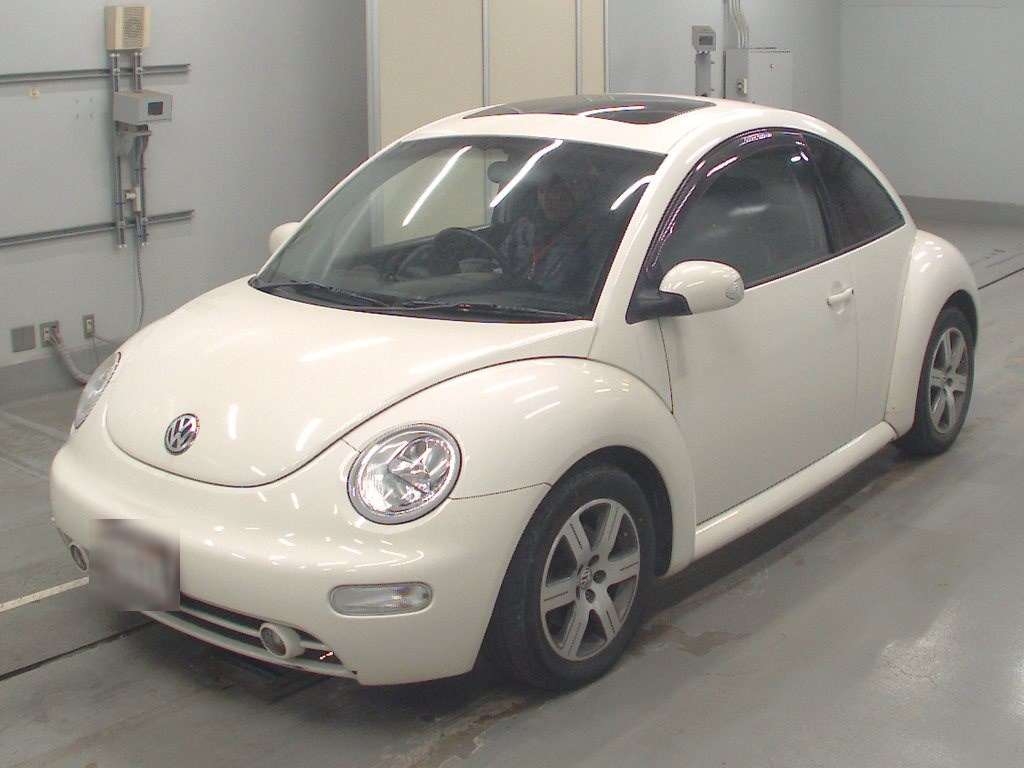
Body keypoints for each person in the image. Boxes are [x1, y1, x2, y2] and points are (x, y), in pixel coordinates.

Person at [497, 166, 596, 292]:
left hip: (557, 301)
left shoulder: (587, 234)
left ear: (570, 193)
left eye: (553, 191)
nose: (545, 198)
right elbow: (501, 262)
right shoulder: (523, 228)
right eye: (542, 191)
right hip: (513, 297)